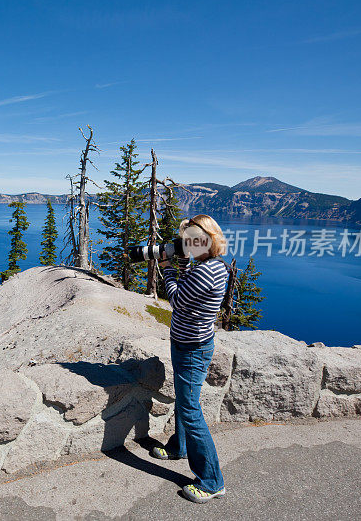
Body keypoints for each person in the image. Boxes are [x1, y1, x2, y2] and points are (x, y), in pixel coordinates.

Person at [150, 214, 229, 504]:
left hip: (191, 349)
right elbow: (191, 287)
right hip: (191, 343)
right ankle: (179, 447)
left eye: (190, 241)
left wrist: (167, 267)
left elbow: (178, 299)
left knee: (191, 410)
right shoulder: (213, 266)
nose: (186, 245)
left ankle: (212, 481)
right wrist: (183, 263)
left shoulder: (204, 272)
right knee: (185, 402)